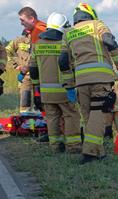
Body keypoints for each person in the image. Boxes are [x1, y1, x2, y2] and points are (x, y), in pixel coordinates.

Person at [59, 3, 118, 164]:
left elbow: (63, 61)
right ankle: (89, 152)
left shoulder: (68, 33)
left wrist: (69, 85)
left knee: (88, 116)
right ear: (91, 14)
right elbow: (109, 42)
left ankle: (99, 152)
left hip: (81, 82)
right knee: (98, 115)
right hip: (101, 79)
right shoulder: (98, 25)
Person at [29, 12, 81, 153]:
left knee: (52, 118)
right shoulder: (65, 44)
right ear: (62, 27)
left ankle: (55, 147)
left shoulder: (37, 45)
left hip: (46, 92)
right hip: (65, 91)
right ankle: (73, 147)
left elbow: (33, 68)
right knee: (71, 116)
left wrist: (36, 87)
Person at [18, 7, 47, 111]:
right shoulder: (38, 29)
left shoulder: (38, 31)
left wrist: (25, 70)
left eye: (22, 20)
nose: (21, 23)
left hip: (43, 75)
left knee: (43, 106)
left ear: (31, 18)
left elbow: (35, 57)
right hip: (40, 74)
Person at [6, 30, 32, 112]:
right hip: (25, 77)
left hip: (41, 76)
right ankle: (25, 121)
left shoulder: (41, 40)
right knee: (25, 102)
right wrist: (15, 65)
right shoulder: (19, 41)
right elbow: (6, 51)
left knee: (42, 103)